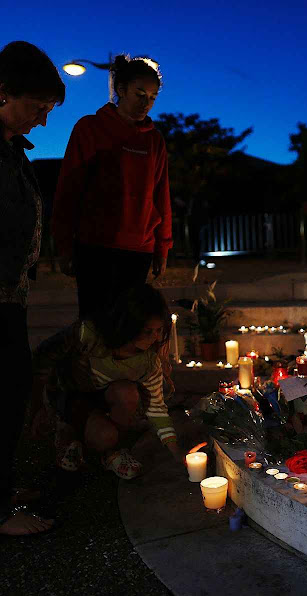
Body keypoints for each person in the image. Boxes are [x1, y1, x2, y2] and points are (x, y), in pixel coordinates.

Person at [52, 54, 172, 320]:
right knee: (95, 322)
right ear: (120, 90)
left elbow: (161, 195)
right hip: (95, 245)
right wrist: (64, 244)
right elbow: (69, 188)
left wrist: (162, 248)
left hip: (138, 249)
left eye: (152, 97)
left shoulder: (154, 140)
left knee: (127, 324)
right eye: (139, 94)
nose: (146, 103)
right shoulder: (90, 129)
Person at [0, 41, 64, 536]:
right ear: (3, 91)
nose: (43, 122)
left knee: (12, 389)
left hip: (10, 295)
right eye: (37, 108)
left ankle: (2, 488)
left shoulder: (11, 149)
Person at [32, 284, 184, 479]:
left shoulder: (147, 362)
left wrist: (177, 451)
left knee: (126, 398)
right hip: (71, 395)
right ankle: (67, 432)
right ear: (128, 325)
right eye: (148, 331)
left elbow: (156, 408)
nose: (155, 338)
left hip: (104, 400)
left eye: (159, 330)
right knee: (97, 434)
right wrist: (38, 405)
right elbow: (44, 357)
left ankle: (111, 451)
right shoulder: (90, 335)